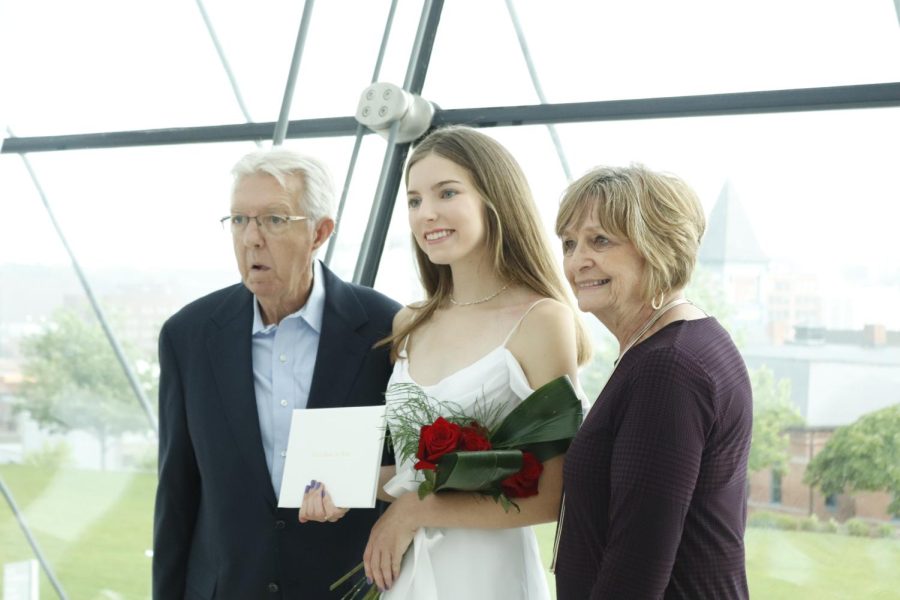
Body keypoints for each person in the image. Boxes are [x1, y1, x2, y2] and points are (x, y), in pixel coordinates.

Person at [299, 126, 592, 599]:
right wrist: (342, 484)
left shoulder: (542, 320)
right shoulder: (412, 321)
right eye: (414, 200)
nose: (426, 213)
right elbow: (421, 473)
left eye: (447, 192)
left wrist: (415, 510)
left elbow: (552, 494)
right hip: (408, 574)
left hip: (487, 578)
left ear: (494, 199)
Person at [152, 147, 401, 599]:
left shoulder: (386, 330)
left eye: (273, 220)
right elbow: (176, 493)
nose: (251, 238)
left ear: (320, 232)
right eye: (239, 220)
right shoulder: (187, 336)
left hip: (344, 588)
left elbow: (409, 470)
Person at [552, 165, 752, 599]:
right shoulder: (684, 342)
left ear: (657, 247)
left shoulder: (669, 369)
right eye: (569, 243)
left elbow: (635, 573)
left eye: (599, 240)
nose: (576, 260)